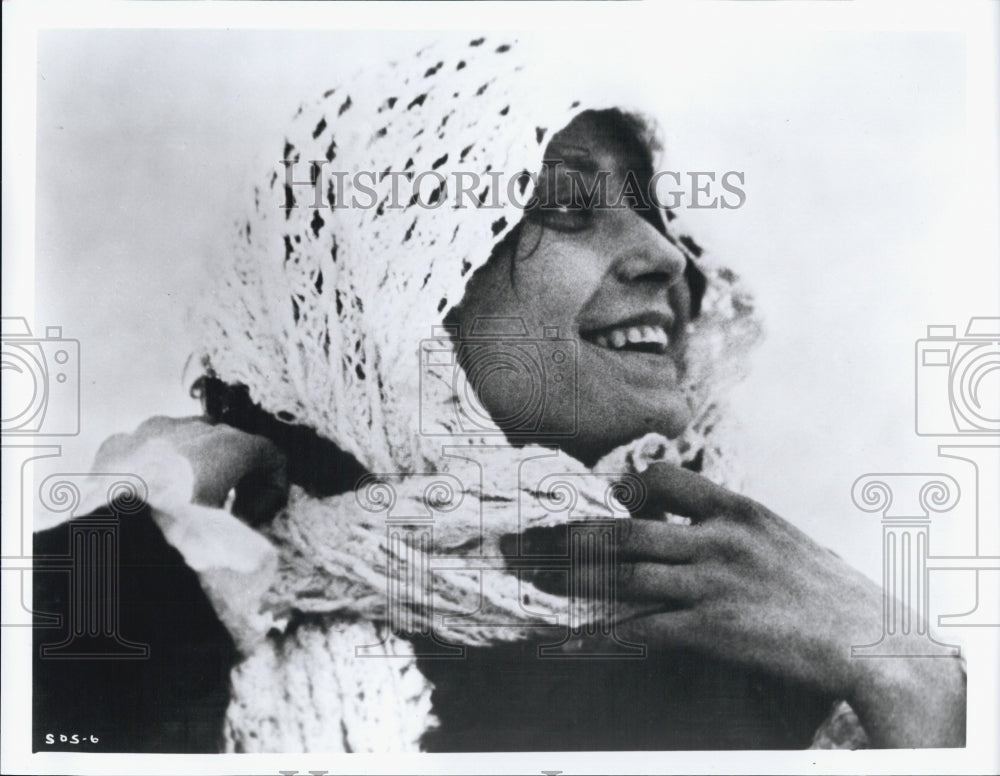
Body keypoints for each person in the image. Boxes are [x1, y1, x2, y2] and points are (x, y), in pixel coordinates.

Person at [34, 36, 965, 752]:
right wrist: (119, 558)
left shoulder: (783, 650)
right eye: (565, 205)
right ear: (385, 294)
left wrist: (922, 691)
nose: (668, 257)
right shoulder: (147, 619)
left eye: (655, 210)